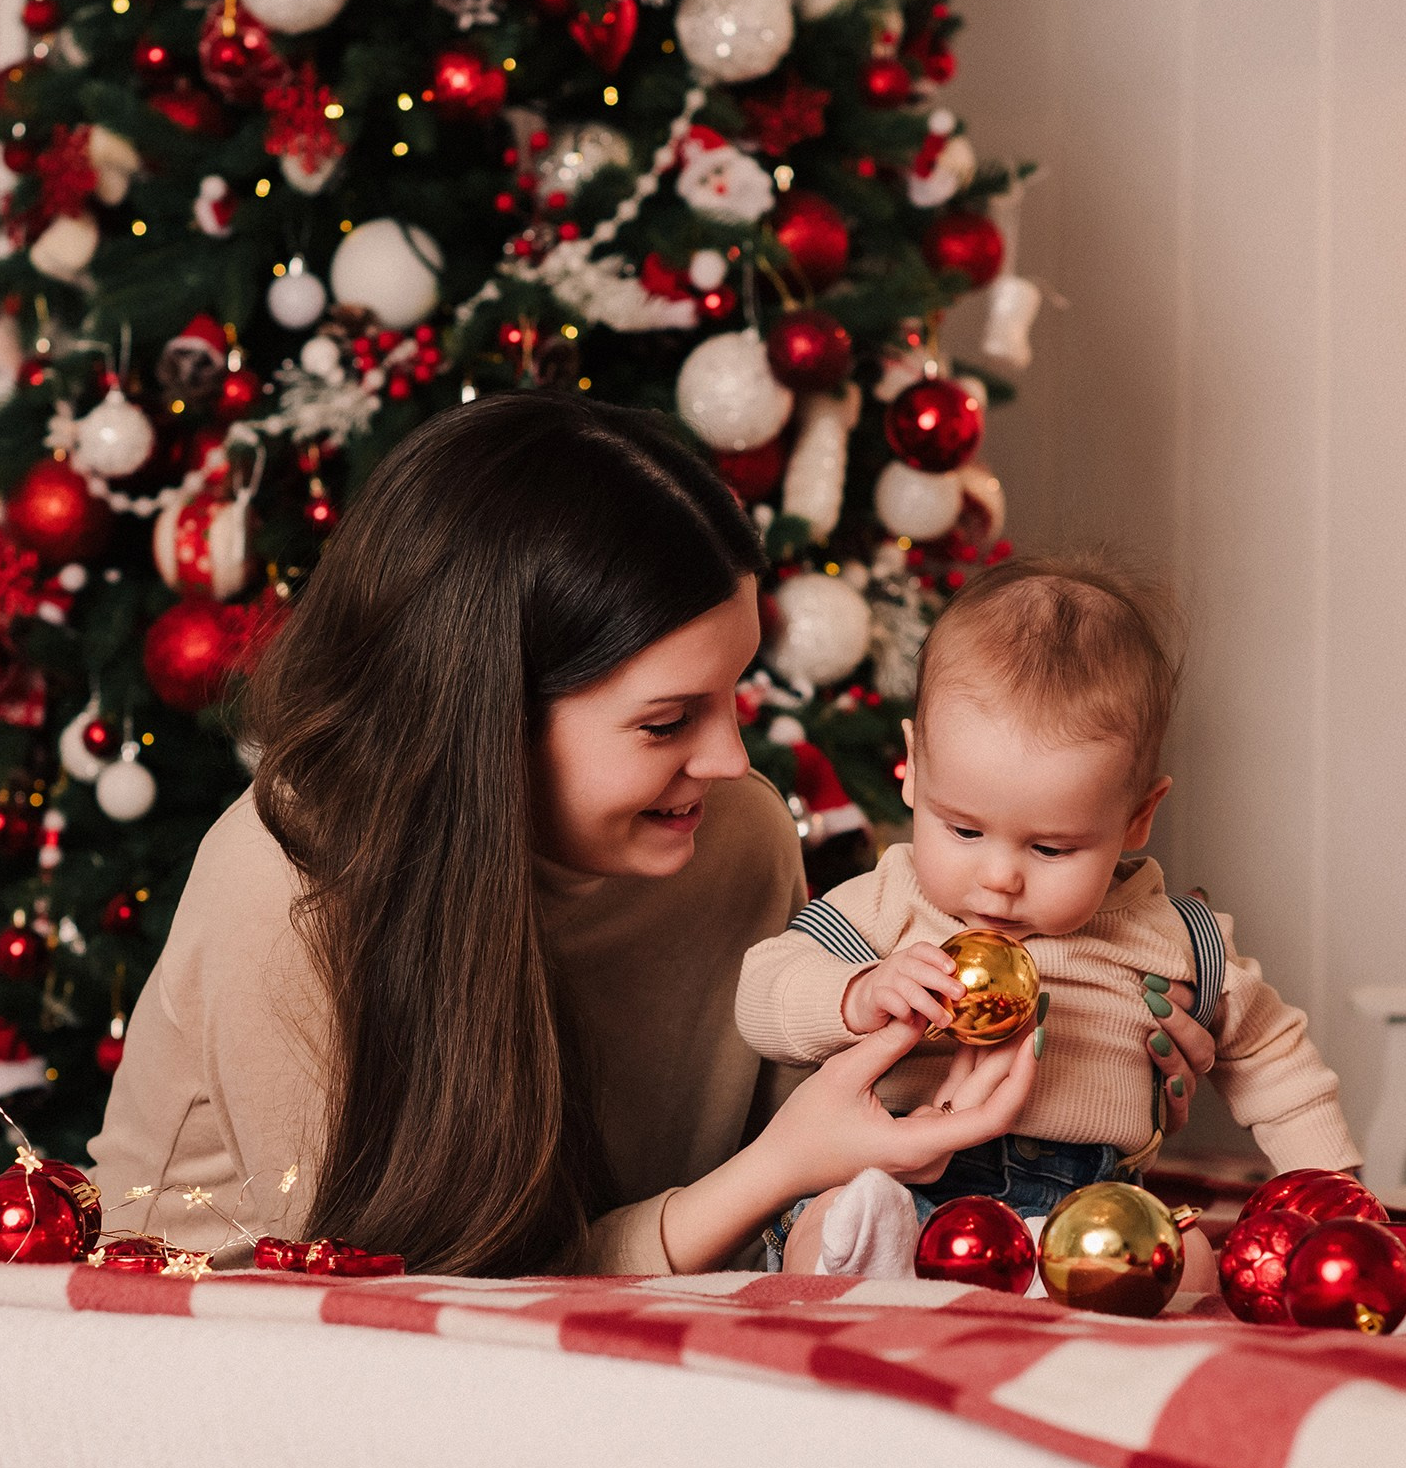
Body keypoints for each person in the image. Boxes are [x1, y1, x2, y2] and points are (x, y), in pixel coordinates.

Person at [87, 392, 1050, 1275]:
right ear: (488, 720)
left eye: (735, 694)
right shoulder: (289, 886)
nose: (727, 758)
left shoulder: (737, 837)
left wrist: (1074, 1060)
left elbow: (815, 1176)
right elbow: (388, 1307)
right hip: (237, 1364)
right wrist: (764, 1175)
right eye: (667, 722)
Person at [737, 556, 1361, 1276]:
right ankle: (869, 1250)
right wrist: (854, 994)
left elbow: (1272, 1054)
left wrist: (1334, 1192)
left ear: (1137, 817)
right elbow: (762, 989)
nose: (999, 878)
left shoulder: (1171, 938)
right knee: (827, 1222)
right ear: (913, 768)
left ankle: (1051, 1280)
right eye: (963, 830)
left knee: (1186, 1257)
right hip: (899, 1177)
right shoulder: (889, 900)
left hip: (1086, 1202)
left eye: (1050, 846)